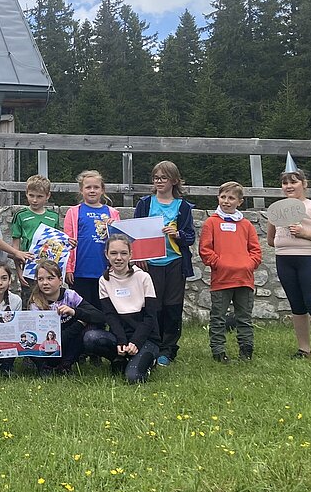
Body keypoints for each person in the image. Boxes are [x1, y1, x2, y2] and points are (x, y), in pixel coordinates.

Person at [266, 168, 311, 363]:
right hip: (284, 260)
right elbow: (271, 240)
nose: (289, 186)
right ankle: (304, 349)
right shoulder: (276, 209)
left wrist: (304, 233)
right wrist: (284, 238)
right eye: (285, 183)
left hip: (309, 260)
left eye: (294, 182)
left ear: (304, 184)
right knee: (297, 305)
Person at [133, 160, 196, 367]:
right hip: (149, 264)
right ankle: (152, 344)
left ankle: (168, 349)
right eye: (156, 178)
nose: (159, 181)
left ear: (174, 181)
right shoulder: (145, 203)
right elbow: (135, 233)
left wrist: (177, 234)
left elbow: (190, 237)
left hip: (175, 263)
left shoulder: (183, 207)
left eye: (163, 178)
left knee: (172, 307)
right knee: (153, 306)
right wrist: (139, 256)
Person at [199, 181, 262, 363]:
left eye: (231, 198)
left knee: (244, 318)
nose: (226, 201)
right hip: (222, 279)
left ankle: (246, 350)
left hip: (244, 279)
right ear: (218, 198)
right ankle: (218, 351)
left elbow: (256, 250)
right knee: (218, 318)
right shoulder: (211, 223)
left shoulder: (247, 225)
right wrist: (220, 264)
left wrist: (249, 264)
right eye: (223, 197)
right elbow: (205, 250)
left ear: (240, 202)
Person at [98, 234, 160, 384]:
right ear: (106, 255)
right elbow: (110, 316)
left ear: (130, 255)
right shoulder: (103, 281)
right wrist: (121, 341)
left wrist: (136, 342)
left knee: (133, 378)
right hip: (121, 337)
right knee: (91, 338)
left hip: (145, 338)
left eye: (123, 253)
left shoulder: (144, 278)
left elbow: (150, 317)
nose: (118, 258)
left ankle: (149, 360)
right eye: (113, 253)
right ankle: (118, 358)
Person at [29, 259, 110, 375]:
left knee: (89, 326)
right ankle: (43, 367)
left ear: (60, 280)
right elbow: (50, 339)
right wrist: (80, 323)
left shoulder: (70, 296)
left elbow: (100, 317)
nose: (45, 283)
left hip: (70, 347)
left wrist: (74, 312)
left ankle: (66, 365)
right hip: (47, 347)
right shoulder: (35, 303)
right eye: (40, 279)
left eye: (50, 278)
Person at [64, 170, 120, 308]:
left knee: (104, 309)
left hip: (105, 270)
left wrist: (114, 228)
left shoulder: (112, 213)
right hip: (80, 271)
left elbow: (119, 242)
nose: (92, 190)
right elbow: (67, 242)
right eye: (88, 187)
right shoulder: (73, 212)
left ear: (102, 190)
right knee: (82, 309)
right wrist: (68, 268)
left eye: (96, 187)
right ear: (81, 190)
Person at [11, 174, 60, 303]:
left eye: (39, 196)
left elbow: (58, 243)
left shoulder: (53, 217)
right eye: (31, 195)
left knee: (50, 303)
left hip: (48, 268)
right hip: (29, 267)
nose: (34, 200)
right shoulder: (21, 215)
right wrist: (19, 271)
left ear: (47, 196)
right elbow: (15, 247)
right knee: (30, 302)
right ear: (26, 194)